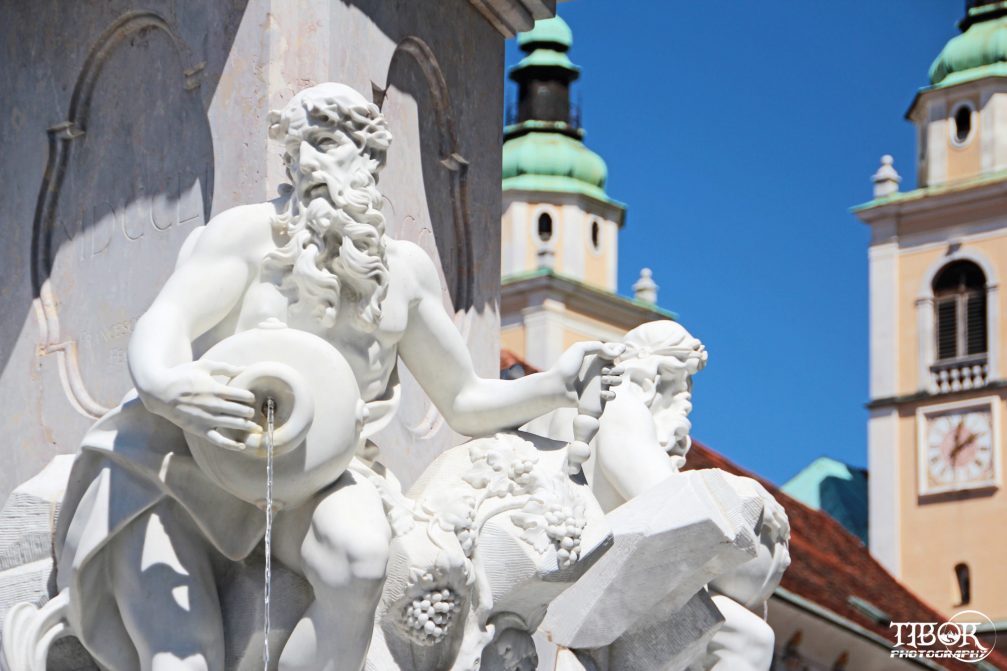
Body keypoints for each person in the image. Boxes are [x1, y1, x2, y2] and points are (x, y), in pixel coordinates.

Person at [45, 83, 616, 671]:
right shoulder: (248, 237)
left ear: (370, 160)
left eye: (332, 144)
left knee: (360, 558)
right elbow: (167, 317)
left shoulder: (405, 276)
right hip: (186, 466)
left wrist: (556, 384)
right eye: (303, 146)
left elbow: (465, 398)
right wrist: (165, 385)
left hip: (314, 478)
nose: (314, 162)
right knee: (184, 659)